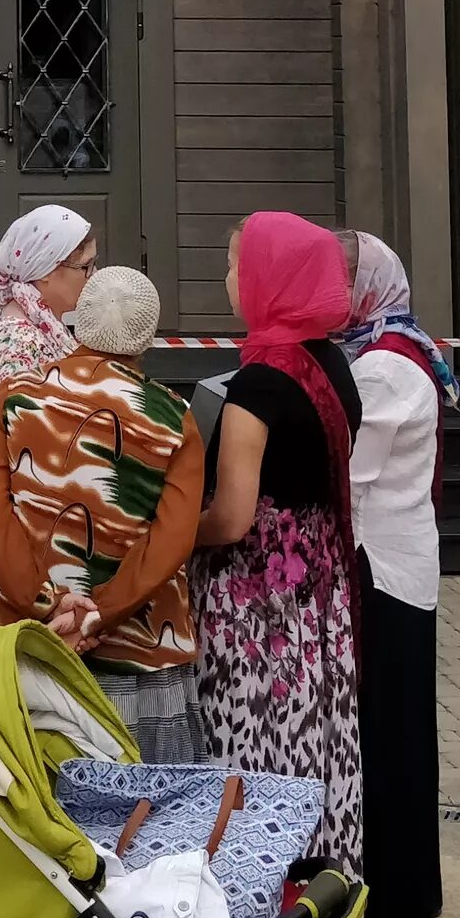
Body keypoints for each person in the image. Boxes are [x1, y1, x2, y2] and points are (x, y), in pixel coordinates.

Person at [0, 264, 205, 760]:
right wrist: (97, 614)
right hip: (136, 655)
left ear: (78, 324)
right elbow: (170, 543)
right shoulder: (173, 417)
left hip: (19, 647)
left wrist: (46, 604)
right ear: (148, 337)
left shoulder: (13, 398)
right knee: (137, 820)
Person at [191, 212, 361, 863]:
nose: (228, 278)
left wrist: (172, 541)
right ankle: (317, 896)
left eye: (236, 264)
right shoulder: (332, 365)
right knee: (314, 744)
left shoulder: (259, 384)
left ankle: (253, 900)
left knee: (256, 748)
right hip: (320, 598)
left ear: (270, 278)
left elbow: (233, 517)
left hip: (255, 609)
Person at [338, 232, 453, 918]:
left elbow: (350, 478)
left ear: (368, 288)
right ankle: (409, 896)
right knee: (401, 734)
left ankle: (396, 902)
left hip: (383, 570)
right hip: (403, 565)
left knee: (387, 739)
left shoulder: (381, 367)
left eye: (339, 279)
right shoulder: (393, 349)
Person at [0, 203, 96, 400]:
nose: (93, 275)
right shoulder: (19, 342)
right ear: (47, 270)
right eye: (86, 266)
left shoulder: (39, 320)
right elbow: (23, 425)